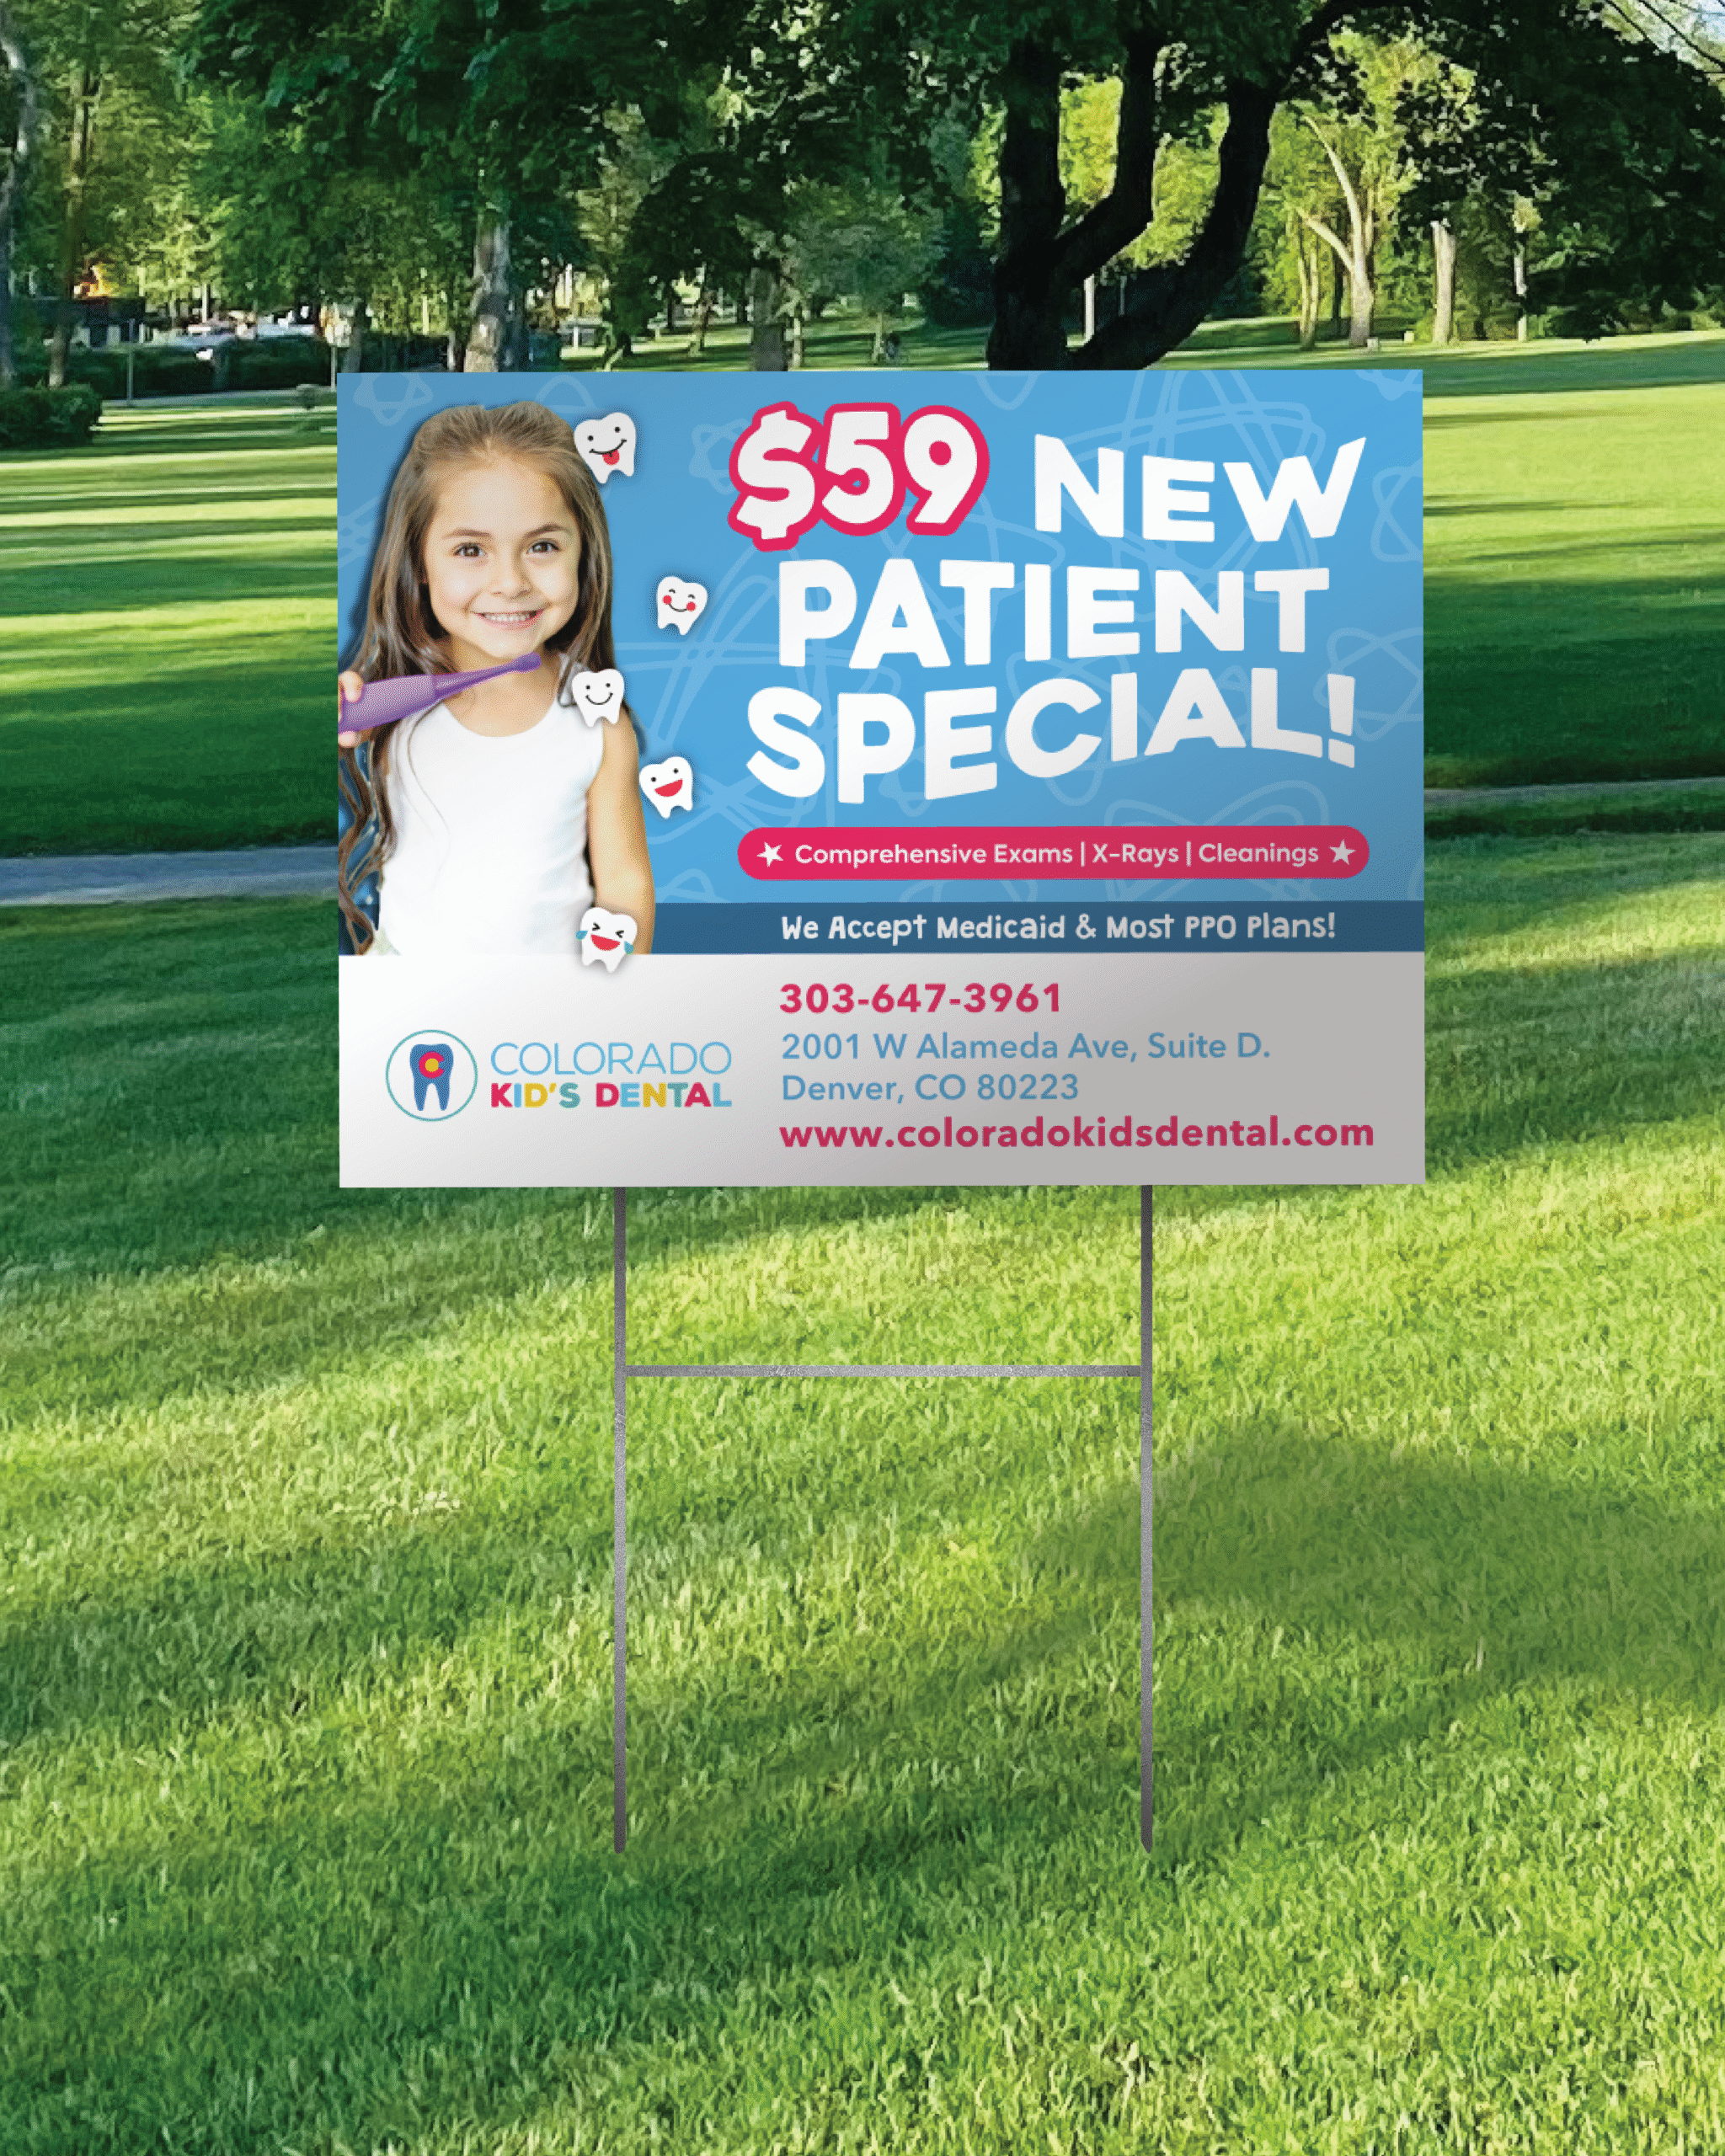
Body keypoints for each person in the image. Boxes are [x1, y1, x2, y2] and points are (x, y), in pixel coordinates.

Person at [337, 400, 654, 959]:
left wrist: (618, 1005)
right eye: (470, 550)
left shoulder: (598, 723)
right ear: (418, 561)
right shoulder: (380, 704)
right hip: (411, 1007)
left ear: (584, 556)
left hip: (550, 1011)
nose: (510, 581)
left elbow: (625, 886)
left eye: (542, 547)